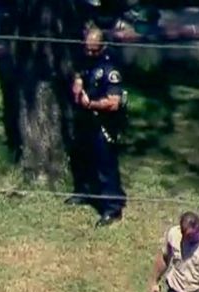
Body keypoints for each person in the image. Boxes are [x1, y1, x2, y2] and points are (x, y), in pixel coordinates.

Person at [69, 26, 129, 227]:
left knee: (105, 165)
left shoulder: (110, 69)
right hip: (87, 120)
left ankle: (112, 209)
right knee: (84, 158)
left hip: (105, 123)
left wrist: (90, 104)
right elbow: (79, 70)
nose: (89, 53)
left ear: (102, 47)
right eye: (87, 49)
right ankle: (86, 193)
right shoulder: (85, 59)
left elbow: (114, 102)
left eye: (94, 50)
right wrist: (77, 81)